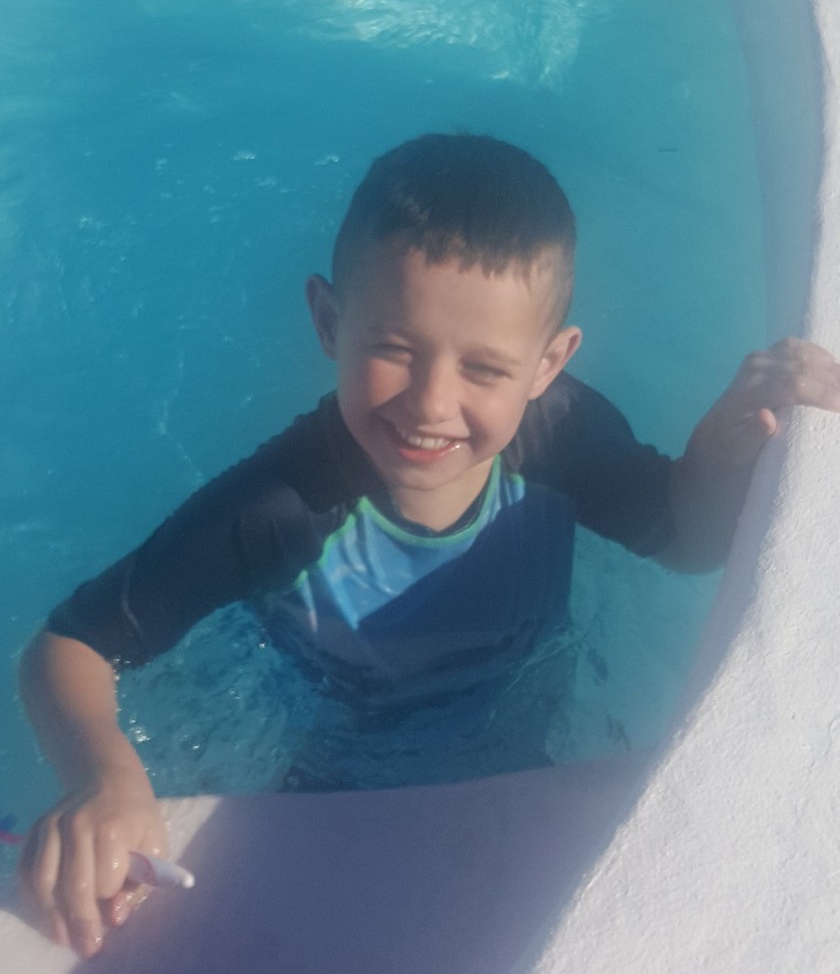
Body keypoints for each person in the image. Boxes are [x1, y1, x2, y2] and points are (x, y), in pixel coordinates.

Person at [17, 133, 840, 958]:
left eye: (485, 369)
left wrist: (724, 443)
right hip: (333, 758)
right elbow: (70, 645)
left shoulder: (562, 438)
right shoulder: (282, 505)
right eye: (394, 349)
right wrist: (105, 774)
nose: (432, 403)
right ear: (329, 321)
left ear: (548, 364)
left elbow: (684, 540)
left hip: (523, 733)